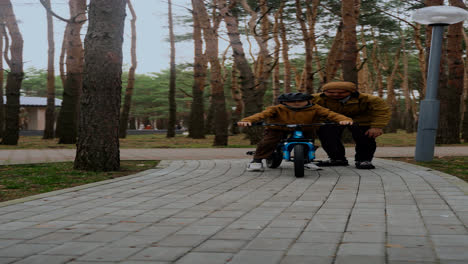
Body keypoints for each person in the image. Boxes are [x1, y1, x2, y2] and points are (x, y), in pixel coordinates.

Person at [237, 92, 353, 172]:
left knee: (309, 141)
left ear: (308, 101)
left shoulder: (316, 108)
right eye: (292, 102)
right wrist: (247, 120)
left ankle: (306, 160)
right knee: (268, 141)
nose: (297, 103)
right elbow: (261, 115)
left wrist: (344, 119)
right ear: (283, 102)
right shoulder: (276, 108)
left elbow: (331, 114)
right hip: (279, 127)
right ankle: (256, 160)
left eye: (301, 101)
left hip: (305, 127)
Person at [311, 81, 391, 169]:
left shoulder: (370, 99)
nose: (336, 94)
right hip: (332, 119)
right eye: (330, 92)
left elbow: (382, 112)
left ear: (352, 92)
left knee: (365, 136)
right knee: (326, 135)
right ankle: (337, 159)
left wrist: (377, 126)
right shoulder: (314, 98)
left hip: (361, 120)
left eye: (341, 92)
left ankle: (364, 160)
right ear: (324, 92)